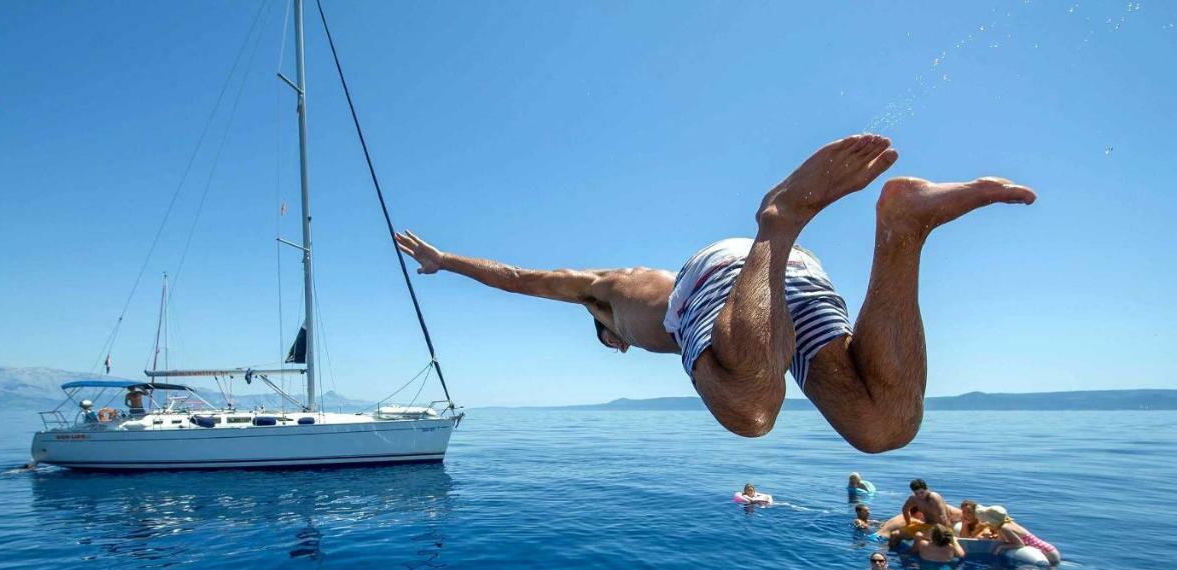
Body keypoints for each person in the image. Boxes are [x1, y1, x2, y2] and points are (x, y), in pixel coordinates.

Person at [395, 134, 1035, 454]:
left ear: (606, 326)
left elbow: (515, 278)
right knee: (885, 425)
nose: (619, 348)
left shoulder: (607, 291)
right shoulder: (639, 301)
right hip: (783, 280)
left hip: (727, 273)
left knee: (751, 410)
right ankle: (903, 228)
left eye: (610, 342)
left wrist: (444, 260)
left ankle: (779, 217)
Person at [976, 505, 1061, 566]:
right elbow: (1003, 539)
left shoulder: (1004, 527)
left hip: (1047, 553)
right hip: (1049, 550)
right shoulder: (1006, 523)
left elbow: (1020, 544)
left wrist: (1000, 547)